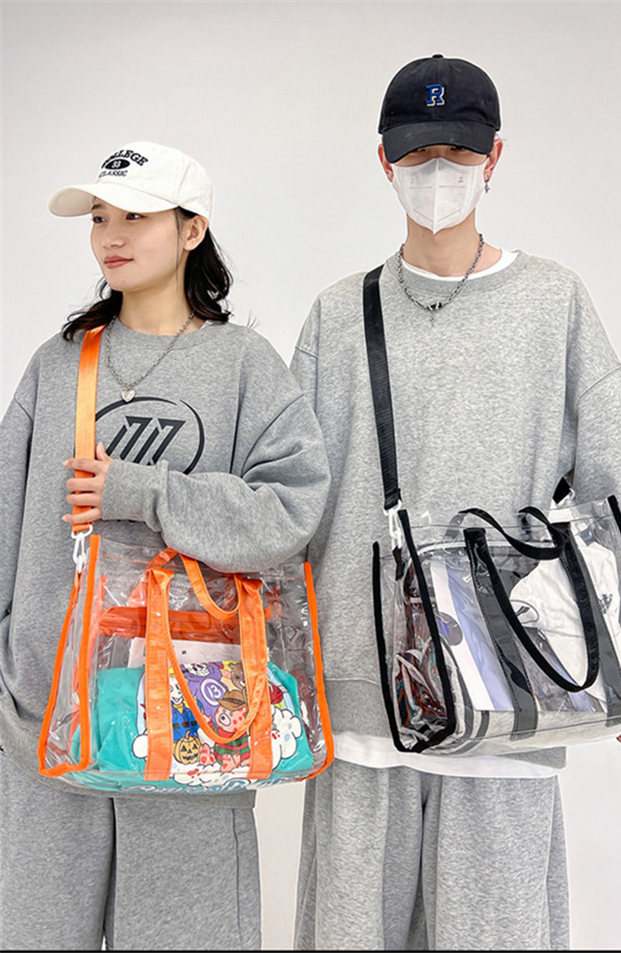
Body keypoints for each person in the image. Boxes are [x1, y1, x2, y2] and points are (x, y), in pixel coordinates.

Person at [290, 54, 621, 951]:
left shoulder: (553, 302)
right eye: (418, 153)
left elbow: (619, 478)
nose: (437, 171)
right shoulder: (337, 315)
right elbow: (298, 505)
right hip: (361, 708)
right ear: (384, 160)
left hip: (512, 698)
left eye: (458, 152)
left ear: (495, 157)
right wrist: (274, 673)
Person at [0, 140, 330, 951]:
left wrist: (145, 492)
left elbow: (291, 511)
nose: (110, 235)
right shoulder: (56, 367)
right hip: (48, 724)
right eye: (99, 218)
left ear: (191, 230)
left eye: (136, 216)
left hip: (193, 725)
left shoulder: (245, 365)